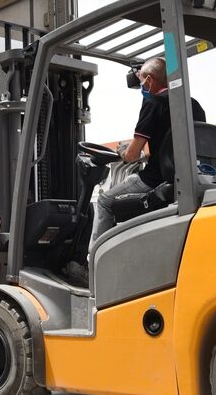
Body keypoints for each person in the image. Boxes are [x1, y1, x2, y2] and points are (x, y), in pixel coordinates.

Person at [64, 57, 205, 285]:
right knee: (129, 179)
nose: (141, 86)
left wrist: (123, 151)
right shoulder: (192, 104)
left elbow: (130, 155)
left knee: (105, 201)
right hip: (184, 176)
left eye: (141, 81)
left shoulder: (154, 104)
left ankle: (91, 269)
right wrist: (144, 154)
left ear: (149, 81)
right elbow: (173, 145)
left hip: (155, 179)